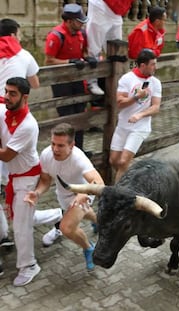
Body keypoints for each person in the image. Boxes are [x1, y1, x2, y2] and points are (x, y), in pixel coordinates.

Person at [24, 123, 104, 272]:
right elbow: (46, 180)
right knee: (85, 214)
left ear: (72, 145)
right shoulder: (47, 154)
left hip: (84, 194)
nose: (55, 149)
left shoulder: (79, 158)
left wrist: (83, 193)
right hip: (64, 195)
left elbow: (98, 182)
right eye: (53, 143)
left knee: (66, 228)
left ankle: (88, 248)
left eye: (60, 146)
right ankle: (98, 221)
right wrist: (37, 193)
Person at [0, 18, 40, 250]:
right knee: (11, 155)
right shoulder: (23, 55)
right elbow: (34, 83)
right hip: (12, 110)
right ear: (14, 35)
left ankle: (4, 231)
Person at [0, 78, 42, 286]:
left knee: (20, 224)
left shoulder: (28, 125)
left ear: (25, 97)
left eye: (13, 93)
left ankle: (29, 265)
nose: (7, 96)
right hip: (14, 176)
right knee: (25, 216)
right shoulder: (5, 108)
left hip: (27, 178)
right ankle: (58, 215)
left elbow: (6, 156)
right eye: (6, 91)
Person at [44, 3, 94, 153]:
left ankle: (79, 149)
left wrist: (88, 59)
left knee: (80, 113)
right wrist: (69, 62)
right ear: (69, 21)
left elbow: (84, 51)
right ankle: (65, 150)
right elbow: (49, 60)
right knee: (66, 116)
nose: (81, 24)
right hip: (61, 82)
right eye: (79, 21)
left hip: (78, 79)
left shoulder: (82, 34)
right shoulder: (56, 35)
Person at [109, 49, 161, 182]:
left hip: (140, 127)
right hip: (123, 125)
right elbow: (119, 103)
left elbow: (155, 107)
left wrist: (140, 115)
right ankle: (134, 179)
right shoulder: (127, 79)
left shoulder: (155, 82)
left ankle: (119, 193)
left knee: (123, 161)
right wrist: (136, 97)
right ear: (143, 65)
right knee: (114, 160)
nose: (155, 67)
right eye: (152, 64)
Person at [86, 0, 134, 95]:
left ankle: (118, 81)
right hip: (101, 6)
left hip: (117, 10)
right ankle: (91, 82)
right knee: (94, 46)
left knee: (117, 47)